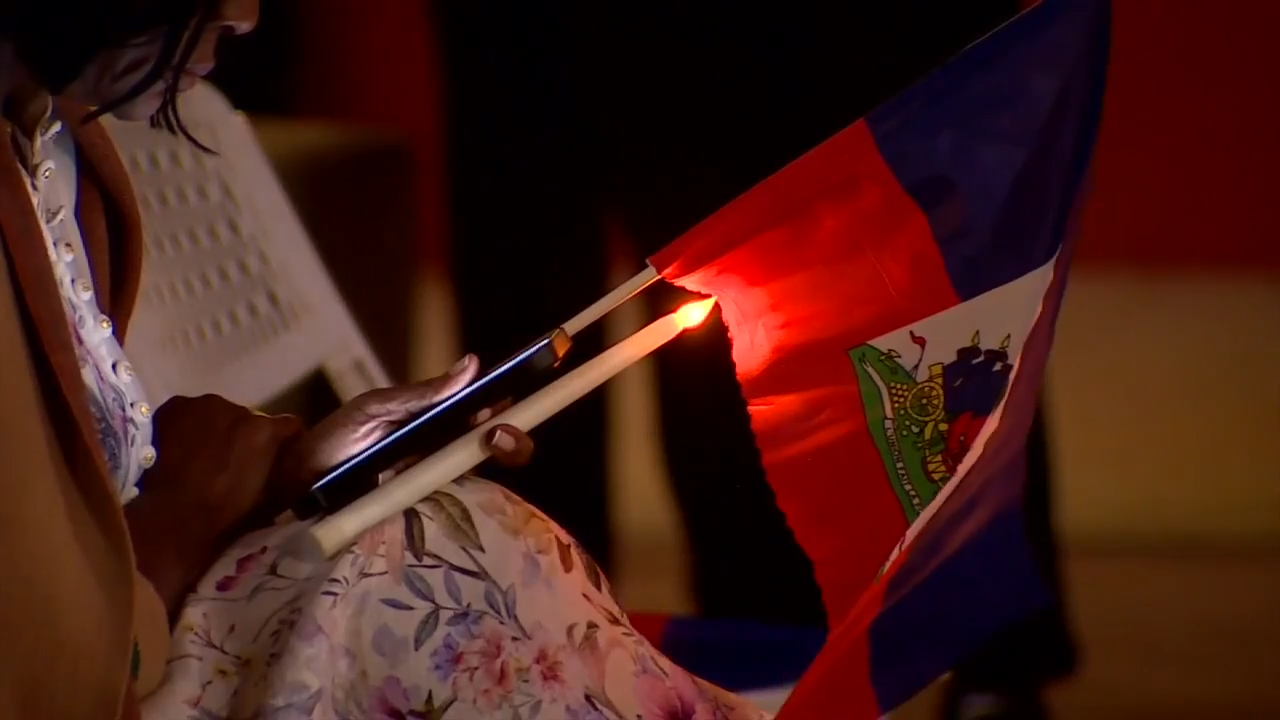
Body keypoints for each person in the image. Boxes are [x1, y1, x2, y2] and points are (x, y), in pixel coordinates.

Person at [0, 2, 769, 719]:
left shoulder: (59, 146)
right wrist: (173, 525)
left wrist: (291, 476)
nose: (245, 15)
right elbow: (48, 669)